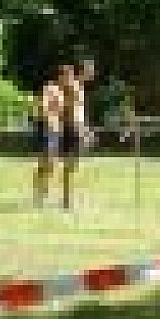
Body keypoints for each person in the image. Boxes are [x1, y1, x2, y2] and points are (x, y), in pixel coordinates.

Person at [59, 60, 96, 209]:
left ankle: (68, 198)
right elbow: (70, 109)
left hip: (77, 126)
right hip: (72, 127)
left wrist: (85, 128)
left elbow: (79, 111)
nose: (92, 74)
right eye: (89, 71)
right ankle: (67, 200)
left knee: (73, 163)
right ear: (83, 71)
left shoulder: (79, 87)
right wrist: (79, 128)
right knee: (70, 163)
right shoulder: (73, 85)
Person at [32, 65, 66, 207]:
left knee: (52, 162)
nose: (67, 79)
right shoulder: (49, 88)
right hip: (47, 127)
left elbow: (60, 111)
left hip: (55, 128)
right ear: (59, 76)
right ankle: (39, 194)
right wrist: (49, 118)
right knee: (45, 160)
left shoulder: (60, 90)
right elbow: (43, 107)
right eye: (65, 76)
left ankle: (44, 191)